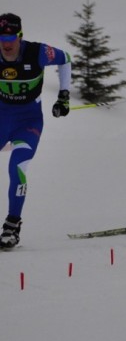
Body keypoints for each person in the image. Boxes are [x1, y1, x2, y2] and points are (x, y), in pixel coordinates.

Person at [0, 13, 72, 249]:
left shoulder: (38, 52)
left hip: (28, 122)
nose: (6, 43)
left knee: (17, 165)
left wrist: (64, 96)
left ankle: (12, 224)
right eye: (1, 37)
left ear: (20, 36)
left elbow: (66, 59)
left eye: (11, 36)